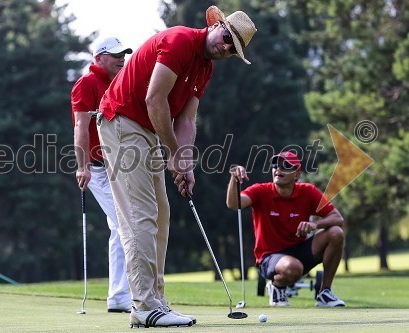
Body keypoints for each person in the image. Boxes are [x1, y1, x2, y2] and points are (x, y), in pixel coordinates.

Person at [96, 6, 257, 328]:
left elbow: (185, 119)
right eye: (227, 38)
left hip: (147, 131)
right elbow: (155, 100)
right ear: (216, 26)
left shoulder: (205, 68)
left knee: (161, 214)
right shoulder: (180, 40)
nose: (225, 47)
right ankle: (143, 305)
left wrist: (185, 162)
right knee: (140, 216)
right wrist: (174, 155)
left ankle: (156, 301)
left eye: (233, 49)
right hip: (121, 122)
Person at [226, 151, 346, 307]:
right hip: (269, 257)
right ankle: (277, 287)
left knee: (336, 233)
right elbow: (234, 204)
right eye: (275, 165)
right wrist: (234, 180)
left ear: (297, 173)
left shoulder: (308, 191)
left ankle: (324, 293)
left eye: (286, 166)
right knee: (293, 268)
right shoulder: (261, 191)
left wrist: (315, 225)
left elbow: (338, 218)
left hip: (299, 252)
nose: (278, 169)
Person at [71, 36, 133, 313]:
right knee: (125, 224)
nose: (122, 59)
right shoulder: (86, 83)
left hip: (121, 167)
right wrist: (81, 165)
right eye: (115, 55)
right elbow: (81, 127)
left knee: (118, 228)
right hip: (97, 169)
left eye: (124, 54)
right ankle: (121, 295)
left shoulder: (120, 82)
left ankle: (119, 295)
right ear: (99, 58)